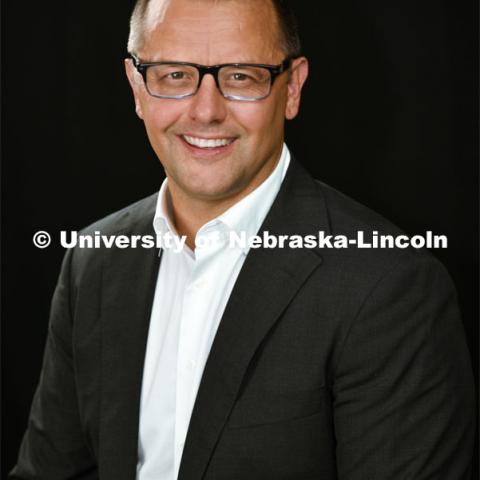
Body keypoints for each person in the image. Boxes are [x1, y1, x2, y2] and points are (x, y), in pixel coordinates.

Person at [10, 0, 475, 479]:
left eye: (241, 76)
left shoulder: (390, 287)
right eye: (174, 75)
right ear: (136, 87)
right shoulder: (94, 262)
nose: (206, 111)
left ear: (291, 88)